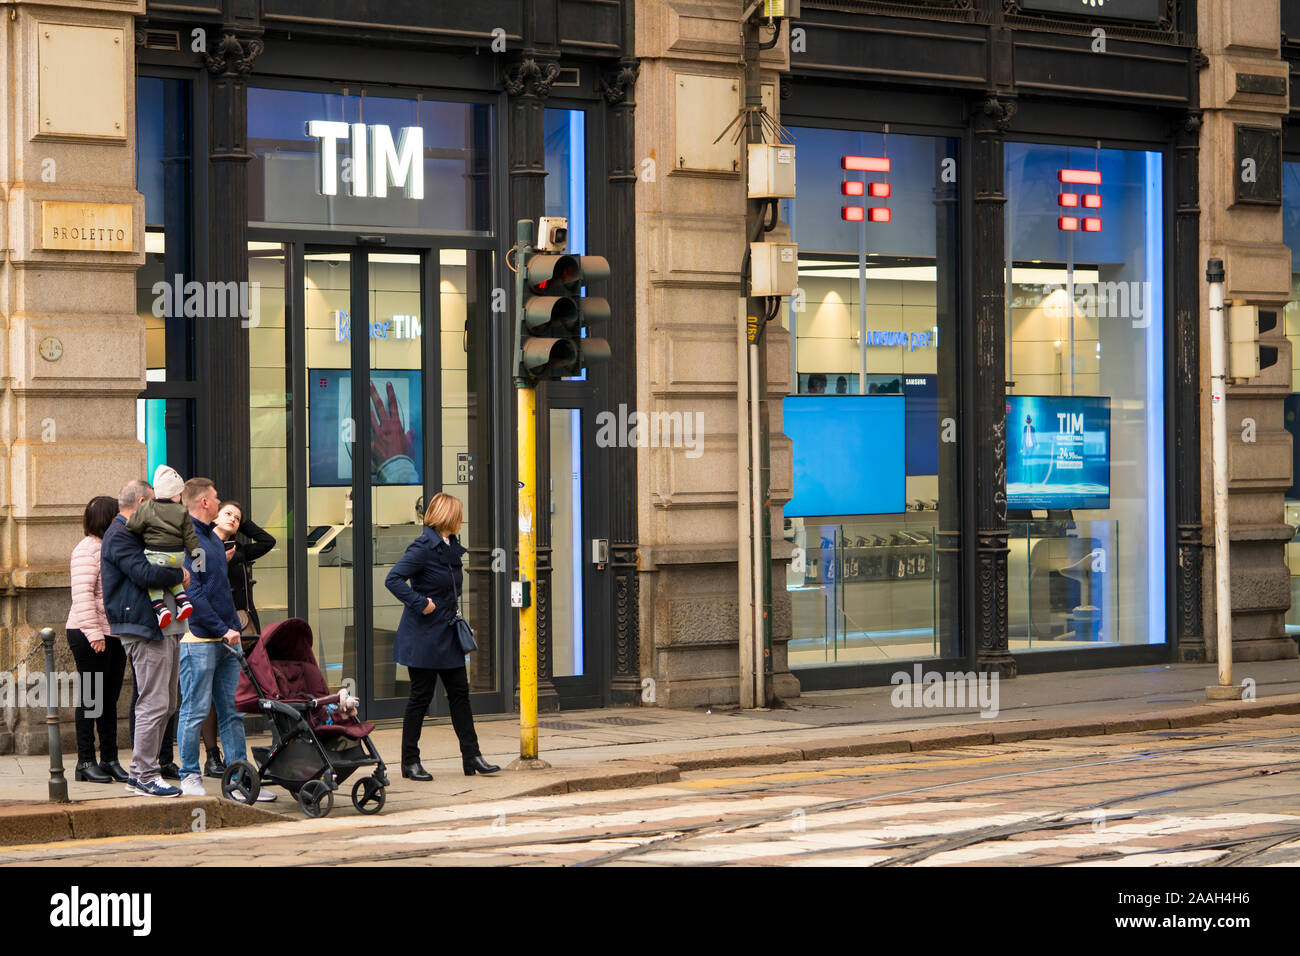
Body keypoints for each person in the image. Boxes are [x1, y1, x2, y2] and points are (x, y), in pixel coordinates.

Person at [385, 492, 499, 781]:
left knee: (460, 695)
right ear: (448, 518)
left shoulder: (451, 545)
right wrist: (421, 603)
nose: (463, 519)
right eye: (459, 514)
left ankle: (472, 756)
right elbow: (393, 579)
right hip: (423, 637)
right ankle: (410, 762)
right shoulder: (422, 547)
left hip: (447, 634)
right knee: (420, 698)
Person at [176, 477, 275, 801]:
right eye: (216, 498)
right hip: (202, 640)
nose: (219, 503)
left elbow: (218, 590)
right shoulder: (194, 542)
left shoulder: (215, 542)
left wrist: (231, 626)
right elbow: (195, 591)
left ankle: (240, 778)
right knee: (194, 709)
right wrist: (223, 629)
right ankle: (189, 775)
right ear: (204, 502)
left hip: (225, 639)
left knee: (232, 712)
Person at [102, 479, 188, 798]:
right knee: (154, 701)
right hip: (143, 624)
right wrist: (179, 575)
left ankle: (140, 772)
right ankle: (147, 774)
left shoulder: (134, 532)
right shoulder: (120, 534)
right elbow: (146, 574)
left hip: (159, 624)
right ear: (141, 503)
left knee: (166, 701)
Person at [206, 500, 275, 778]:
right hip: (212, 625)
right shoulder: (202, 545)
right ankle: (212, 756)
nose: (233, 518)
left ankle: (237, 759)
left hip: (242, 624)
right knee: (209, 693)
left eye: (237, 516)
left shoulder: (240, 550)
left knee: (236, 689)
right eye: (228, 513)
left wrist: (241, 522)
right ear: (213, 516)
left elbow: (267, 540)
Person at [65, 496, 128, 784]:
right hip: (88, 632)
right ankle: (85, 761)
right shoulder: (86, 550)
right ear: (107, 518)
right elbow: (82, 597)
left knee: (109, 699)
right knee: (91, 698)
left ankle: (110, 759)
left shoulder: (112, 547)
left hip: (113, 632)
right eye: (117, 514)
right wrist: (93, 634)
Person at [126, 464, 198, 628]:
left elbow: (132, 526)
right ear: (175, 494)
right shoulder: (182, 511)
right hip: (177, 557)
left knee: (154, 580)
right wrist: (196, 554)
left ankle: (160, 608)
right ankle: (183, 601)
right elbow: (190, 537)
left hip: (157, 555)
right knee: (171, 574)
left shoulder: (148, 507)